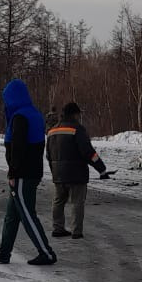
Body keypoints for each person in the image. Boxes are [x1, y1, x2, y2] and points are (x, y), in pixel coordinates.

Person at [0, 79, 56, 267]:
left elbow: (18, 147)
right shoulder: (34, 114)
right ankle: (4, 252)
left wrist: (13, 173)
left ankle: (46, 253)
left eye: (6, 99)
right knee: (12, 215)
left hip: (23, 174)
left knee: (27, 215)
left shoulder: (20, 117)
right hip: (30, 171)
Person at [45, 102, 108, 240]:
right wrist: (101, 169)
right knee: (77, 202)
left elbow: (48, 155)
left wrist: (54, 170)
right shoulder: (77, 129)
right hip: (76, 174)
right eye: (78, 114)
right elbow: (88, 152)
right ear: (74, 114)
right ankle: (76, 231)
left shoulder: (52, 130)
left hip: (58, 174)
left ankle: (57, 228)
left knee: (58, 201)